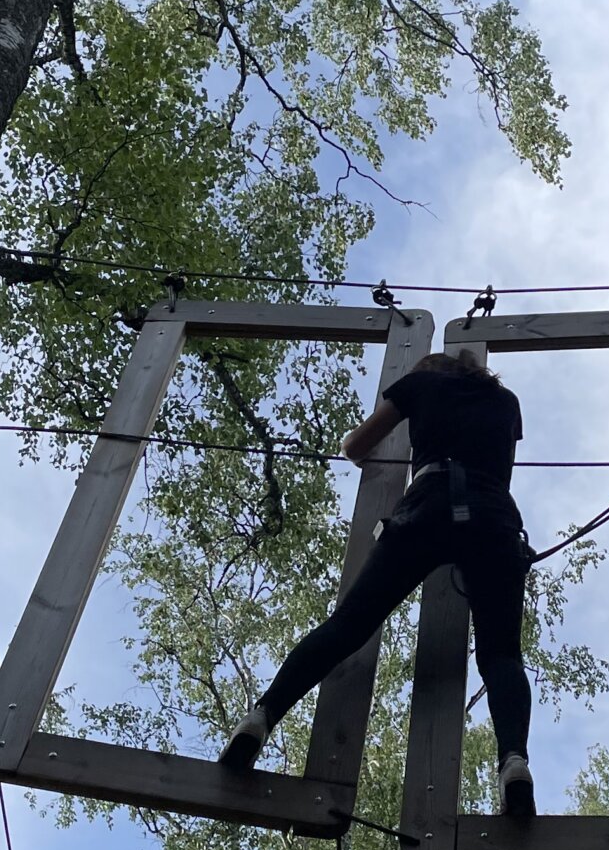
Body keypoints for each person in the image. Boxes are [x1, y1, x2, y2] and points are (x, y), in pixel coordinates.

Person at [217, 346, 537, 819]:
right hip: (493, 519)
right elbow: (501, 470)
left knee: (347, 626)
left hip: (426, 506)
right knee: (501, 654)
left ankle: (261, 717)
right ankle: (514, 761)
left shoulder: (420, 384)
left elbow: (355, 447)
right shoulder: (506, 401)